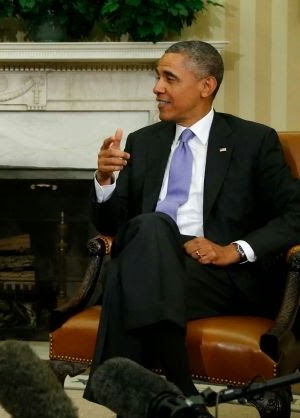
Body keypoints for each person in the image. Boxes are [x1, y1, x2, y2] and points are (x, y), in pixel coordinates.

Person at [83, 40, 300, 414]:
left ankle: (145, 396)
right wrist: (105, 180)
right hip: (152, 255)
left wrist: (235, 250)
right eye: (157, 77)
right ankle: (185, 395)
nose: (157, 88)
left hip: (217, 273)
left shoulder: (252, 140)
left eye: (169, 78)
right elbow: (113, 225)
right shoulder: (143, 142)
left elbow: (295, 212)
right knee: (151, 228)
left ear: (206, 85)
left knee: (132, 276)